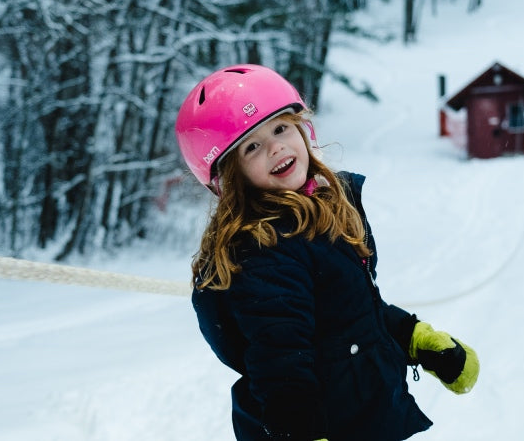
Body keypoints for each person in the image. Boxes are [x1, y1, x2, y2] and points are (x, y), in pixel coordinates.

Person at [175, 64, 479, 441]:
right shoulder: (262, 252)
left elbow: (351, 315)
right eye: (251, 146)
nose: (276, 147)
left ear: (304, 130)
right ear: (229, 176)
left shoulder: (321, 212)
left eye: (281, 128)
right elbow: (281, 366)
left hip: (365, 419)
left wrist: (417, 338)